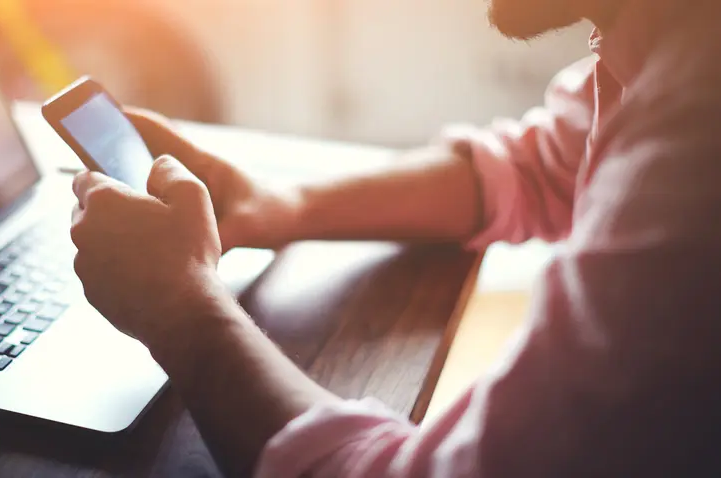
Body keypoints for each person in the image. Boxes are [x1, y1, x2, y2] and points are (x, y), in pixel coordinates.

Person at [68, 0, 721, 475]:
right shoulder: (665, 39)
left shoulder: (696, 142)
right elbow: (544, 164)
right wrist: (277, 205)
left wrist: (183, 313)